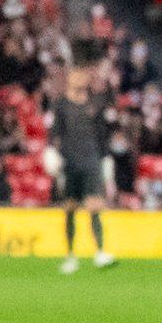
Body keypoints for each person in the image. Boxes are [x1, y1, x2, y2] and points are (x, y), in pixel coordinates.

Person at [53, 61, 116, 271]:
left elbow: (102, 135)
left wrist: (106, 159)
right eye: (77, 75)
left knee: (95, 207)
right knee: (70, 209)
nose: (81, 78)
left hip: (91, 162)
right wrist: (52, 154)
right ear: (70, 78)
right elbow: (55, 134)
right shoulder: (61, 105)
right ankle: (70, 255)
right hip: (70, 163)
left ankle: (100, 252)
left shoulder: (95, 104)